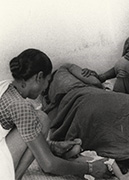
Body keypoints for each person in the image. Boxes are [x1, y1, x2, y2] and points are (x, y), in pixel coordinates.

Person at [42, 63, 129, 180]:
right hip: (93, 98)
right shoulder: (64, 68)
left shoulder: (48, 102)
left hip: (80, 119)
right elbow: (94, 81)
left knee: (115, 140)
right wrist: (98, 81)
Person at [0, 49, 113, 180]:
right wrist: (91, 168)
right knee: (41, 118)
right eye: (47, 81)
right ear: (39, 77)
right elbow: (49, 165)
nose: (45, 87)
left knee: (37, 118)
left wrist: (51, 146)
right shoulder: (21, 107)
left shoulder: (4, 85)